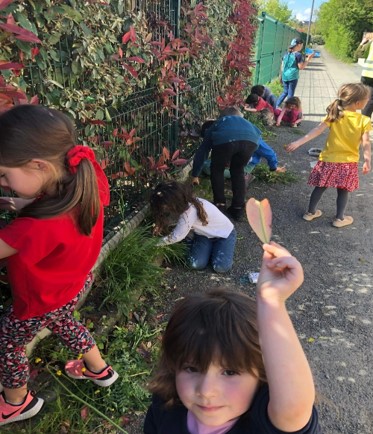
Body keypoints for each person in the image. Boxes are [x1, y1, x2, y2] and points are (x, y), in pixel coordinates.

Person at [0, 105, 118, 427]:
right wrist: (25, 202)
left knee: (9, 341)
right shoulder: (85, 176)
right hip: (72, 283)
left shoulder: (37, 227)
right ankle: (100, 370)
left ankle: (16, 402)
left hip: (40, 299)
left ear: (38, 165)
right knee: (65, 322)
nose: (4, 184)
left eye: (4, 175)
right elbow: (55, 204)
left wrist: (25, 211)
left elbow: (21, 238)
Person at [144, 242, 321, 433]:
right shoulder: (165, 406)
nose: (206, 391)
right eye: (191, 368)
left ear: (262, 374)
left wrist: (272, 302)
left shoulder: (260, 424)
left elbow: (293, 409)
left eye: (229, 372)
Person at [287, 83, 371, 228]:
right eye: (367, 99)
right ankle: (339, 219)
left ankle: (310, 212)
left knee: (320, 186)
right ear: (358, 103)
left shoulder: (335, 115)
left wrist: (299, 142)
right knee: (343, 190)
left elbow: (316, 130)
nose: (368, 101)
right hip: (348, 162)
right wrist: (367, 160)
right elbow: (366, 143)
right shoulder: (364, 120)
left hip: (328, 160)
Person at [150, 181, 236, 274]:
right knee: (195, 264)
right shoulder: (190, 202)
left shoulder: (188, 214)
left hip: (224, 235)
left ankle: (213, 248)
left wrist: (155, 243)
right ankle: (210, 248)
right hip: (204, 235)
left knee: (221, 267)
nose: (165, 208)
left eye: (166, 206)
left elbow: (176, 236)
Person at [191, 107, 260, 221]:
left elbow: (203, 151)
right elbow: (255, 138)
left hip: (226, 141)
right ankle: (237, 209)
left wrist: (195, 174)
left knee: (217, 170)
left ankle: (220, 206)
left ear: (220, 117)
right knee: (238, 171)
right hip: (252, 141)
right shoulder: (246, 122)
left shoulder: (218, 123)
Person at [276, 38, 314, 109]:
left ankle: (276, 106)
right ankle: (288, 110)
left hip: (285, 76)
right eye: (302, 45)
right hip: (292, 77)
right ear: (299, 45)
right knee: (290, 95)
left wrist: (281, 76)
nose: (302, 46)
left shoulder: (286, 54)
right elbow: (301, 67)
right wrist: (308, 59)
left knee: (285, 92)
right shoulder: (298, 55)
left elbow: (282, 66)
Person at [359, 35, 373, 118]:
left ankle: (364, 118)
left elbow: (359, 54)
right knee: (370, 99)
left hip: (366, 74)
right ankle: (365, 120)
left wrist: (362, 43)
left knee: (366, 96)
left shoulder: (370, 43)